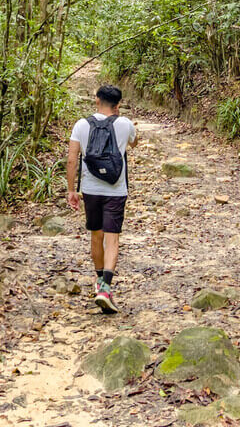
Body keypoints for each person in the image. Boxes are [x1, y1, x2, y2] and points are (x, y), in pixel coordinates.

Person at [67, 84, 138, 313]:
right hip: (116, 190)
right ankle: (106, 287)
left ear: (97, 100)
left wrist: (71, 190)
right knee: (112, 238)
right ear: (117, 105)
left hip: (90, 189)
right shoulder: (124, 123)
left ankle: (99, 280)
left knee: (96, 236)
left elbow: (72, 159)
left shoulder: (81, 124)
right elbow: (134, 143)